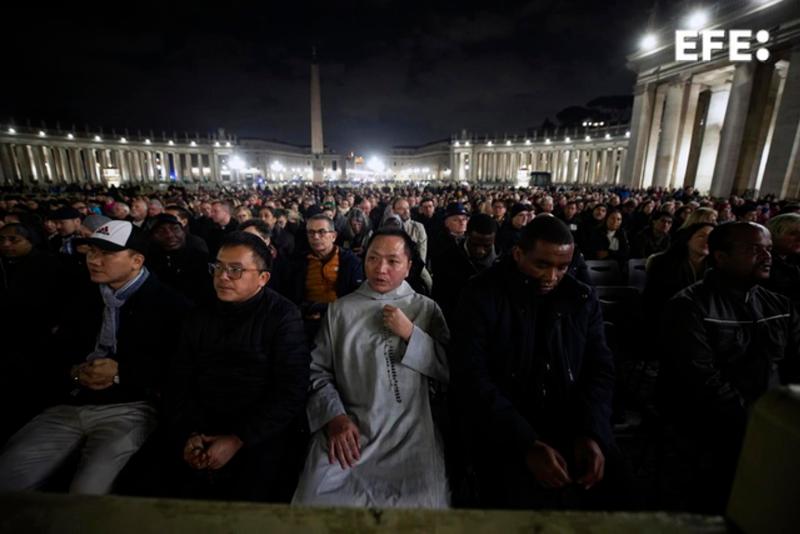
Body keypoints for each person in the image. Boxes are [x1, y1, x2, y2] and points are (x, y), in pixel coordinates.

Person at [0, 221, 189, 494]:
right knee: (8, 475)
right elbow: (50, 351)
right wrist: (74, 372)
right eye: (91, 252)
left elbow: (178, 369)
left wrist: (120, 372)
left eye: (107, 254)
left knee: (89, 493)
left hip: (130, 407)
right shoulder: (79, 295)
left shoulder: (171, 305)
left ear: (137, 260)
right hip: (70, 402)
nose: (94, 261)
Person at [452, 216, 622, 510]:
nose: (551, 277)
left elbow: (599, 369)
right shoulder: (482, 294)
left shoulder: (580, 297)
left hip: (571, 419)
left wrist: (592, 432)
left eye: (562, 267)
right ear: (518, 254)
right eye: (541, 265)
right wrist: (525, 444)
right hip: (505, 425)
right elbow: (472, 376)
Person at [292, 228, 449, 508]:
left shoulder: (426, 309)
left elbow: (448, 368)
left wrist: (412, 334)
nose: (381, 269)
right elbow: (317, 371)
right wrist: (334, 418)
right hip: (352, 427)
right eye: (373, 259)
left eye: (392, 261)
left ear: (409, 266)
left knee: (424, 506)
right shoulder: (340, 310)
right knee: (314, 498)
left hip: (411, 432)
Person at [659, 222, 800, 513]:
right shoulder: (689, 306)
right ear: (721, 256)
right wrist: (760, 421)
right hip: (711, 421)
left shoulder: (780, 305)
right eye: (754, 250)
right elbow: (702, 380)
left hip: (770, 412)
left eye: (769, 249)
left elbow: (795, 364)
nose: (767, 257)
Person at [167, 232, 310, 502]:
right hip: (201, 424)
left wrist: (238, 438)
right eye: (218, 267)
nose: (222, 277)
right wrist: (191, 433)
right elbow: (180, 378)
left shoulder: (283, 316)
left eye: (235, 270)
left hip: (260, 431)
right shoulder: (199, 313)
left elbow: (291, 390)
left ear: (263, 278)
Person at [0, 224, 64, 440]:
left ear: (31, 241)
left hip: (38, 340)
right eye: (2, 240)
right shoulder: (7, 264)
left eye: (13, 240)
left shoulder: (48, 264)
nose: (6, 245)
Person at [288, 215, 363, 341]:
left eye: (322, 232)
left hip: (342, 322)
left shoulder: (351, 262)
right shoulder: (297, 263)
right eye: (311, 233)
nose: (316, 237)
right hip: (307, 322)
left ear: (333, 236)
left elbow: (357, 297)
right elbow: (291, 297)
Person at [643, 223, 715, 324]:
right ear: (688, 239)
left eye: (711, 237)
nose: (707, 241)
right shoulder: (664, 263)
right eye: (701, 236)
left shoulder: (718, 266)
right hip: (669, 318)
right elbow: (655, 300)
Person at [432, 213, 498, 324]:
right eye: (475, 244)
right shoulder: (446, 259)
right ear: (467, 235)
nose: (480, 251)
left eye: (486, 245)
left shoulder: (501, 265)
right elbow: (439, 300)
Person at [147, 214, 213, 304]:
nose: (170, 235)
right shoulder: (148, 262)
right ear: (152, 237)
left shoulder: (199, 258)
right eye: (161, 231)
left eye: (175, 229)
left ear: (183, 231)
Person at [764, 213, 800, 307]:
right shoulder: (764, 263)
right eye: (793, 233)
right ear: (773, 235)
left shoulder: (793, 259)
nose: (799, 238)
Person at [390, 197, 428, 263]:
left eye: (407, 208)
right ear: (393, 211)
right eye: (401, 209)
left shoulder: (418, 227)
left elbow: (422, 252)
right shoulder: (388, 228)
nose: (406, 211)